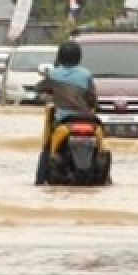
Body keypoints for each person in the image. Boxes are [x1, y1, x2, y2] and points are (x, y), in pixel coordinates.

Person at [33, 41, 97, 185]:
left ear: (60, 56)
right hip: (88, 120)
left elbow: (38, 88)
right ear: (79, 57)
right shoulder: (86, 74)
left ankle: (39, 180)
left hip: (63, 121)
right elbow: (93, 99)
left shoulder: (54, 74)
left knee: (47, 148)